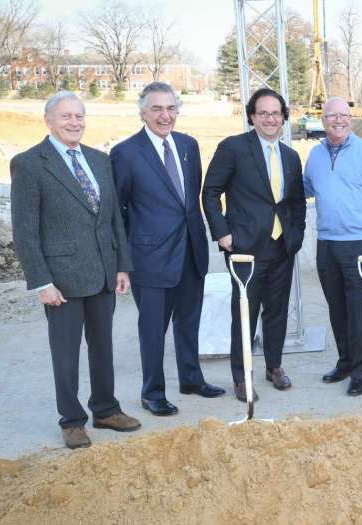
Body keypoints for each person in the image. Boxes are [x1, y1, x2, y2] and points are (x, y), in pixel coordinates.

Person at [10, 91, 141, 449]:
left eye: (79, 116)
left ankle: (106, 409)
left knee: (103, 347)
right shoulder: (30, 163)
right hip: (61, 280)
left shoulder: (99, 161)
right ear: (48, 121)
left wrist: (122, 266)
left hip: (102, 272)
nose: (74, 122)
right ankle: (71, 420)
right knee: (65, 352)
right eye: (66, 116)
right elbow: (24, 229)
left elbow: (114, 218)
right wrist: (41, 281)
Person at [111, 82, 224, 417]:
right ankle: (153, 392)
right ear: (143, 112)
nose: (165, 115)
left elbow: (190, 201)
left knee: (189, 321)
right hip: (150, 258)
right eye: (157, 109)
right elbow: (118, 210)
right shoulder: (126, 152)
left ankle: (191, 379)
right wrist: (124, 258)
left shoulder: (189, 145)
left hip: (191, 251)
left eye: (171, 108)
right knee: (152, 329)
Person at [202, 88, 306, 400]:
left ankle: (274, 366)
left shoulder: (290, 155)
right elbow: (210, 193)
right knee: (245, 313)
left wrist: (296, 234)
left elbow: (297, 202)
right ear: (252, 116)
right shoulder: (233, 148)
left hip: (281, 247)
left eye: (276, 113)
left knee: (277, 311)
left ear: (284, 117)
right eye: (263, 113)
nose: (270, 118)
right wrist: (223, 234)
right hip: (244, 248)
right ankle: (241, 376)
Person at [303, 97, 362, 396]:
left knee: (361, 312)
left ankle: (361, 370)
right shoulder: (314, 155)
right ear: (323, 119)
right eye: (332, 116)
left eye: (344, 115)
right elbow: (303, 190)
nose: (338, 120)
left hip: (360, 244)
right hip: (327, 243)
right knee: (337, 309)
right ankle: (344, 362)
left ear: (351, 118)